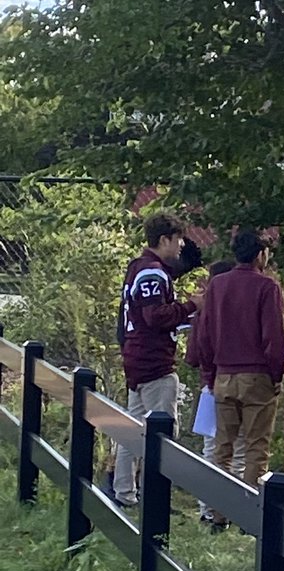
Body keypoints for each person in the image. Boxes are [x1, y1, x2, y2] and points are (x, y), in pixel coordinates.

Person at [194, 229, 284, 528]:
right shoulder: (266, 288)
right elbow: (274, 337)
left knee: (223, 448)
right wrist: (275, 375)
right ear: (261, 255)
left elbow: (205, 334)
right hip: (257, 375)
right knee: (256, 449)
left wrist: (210, 374)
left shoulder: (217, 285)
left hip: (223, 375)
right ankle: (249, 517)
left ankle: (219, 514)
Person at [113, 213, 204, 507]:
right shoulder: (153, 272)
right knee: (162, 432)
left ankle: (124, 491)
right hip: (154, 362)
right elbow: (155, 316)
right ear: (164, 240)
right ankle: (156, 498)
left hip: (136, 359)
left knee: (132, 428)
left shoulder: (139, 268)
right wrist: (192, 305)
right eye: (178, 240)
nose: (181, 246)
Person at [185, 257, 246, 522]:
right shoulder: (238, 312)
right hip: (236, 384)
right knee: (240, 447)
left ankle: (207, 509)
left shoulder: (203, 314)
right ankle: (236, 509)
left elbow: (192, 356)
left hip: (209, 387)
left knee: (212, 449)